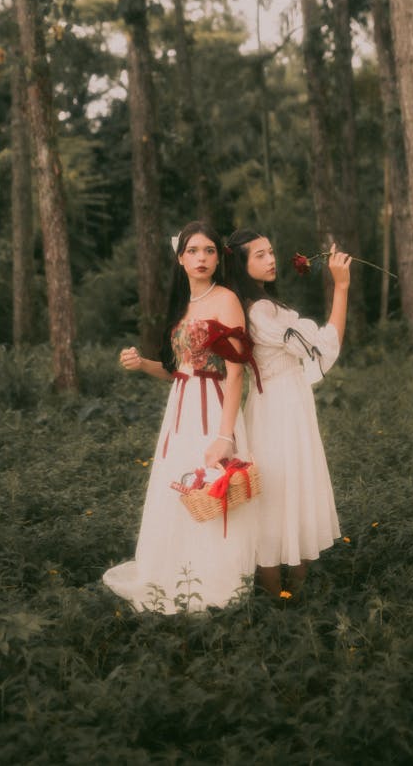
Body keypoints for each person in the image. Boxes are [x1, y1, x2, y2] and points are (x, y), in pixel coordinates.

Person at [102, 220, 259, 613]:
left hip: (213, 406)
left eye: (208, 250)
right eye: (193, 251)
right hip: (181, 405)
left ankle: (215, 582)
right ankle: (174, 574)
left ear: (217, 258)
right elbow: (178, 370)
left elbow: (236, 370)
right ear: (180, 259)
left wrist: (225, 435)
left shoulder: (227, 299)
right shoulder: (182, 305)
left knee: (211, 487)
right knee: (179, 489)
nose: (201, 258)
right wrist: (142, 364)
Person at [224, 228, 351, 598]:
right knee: (280, 494)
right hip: (279, 409)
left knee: (292, 490)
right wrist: (340, 288)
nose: (271, 259)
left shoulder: (262, 306)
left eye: (271, 251)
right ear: (242, 265)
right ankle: (281, 601)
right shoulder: (259, 311)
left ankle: (292, 595)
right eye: (259, 255)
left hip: (287, 404)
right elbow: (326, 346)